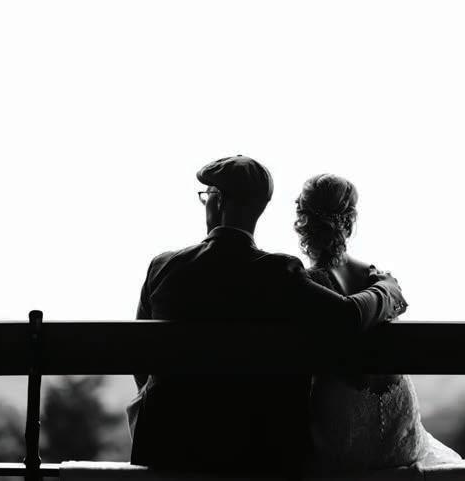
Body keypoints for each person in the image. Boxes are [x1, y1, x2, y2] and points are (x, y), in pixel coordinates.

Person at [128, 155, 406, 473]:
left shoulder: (162, 268)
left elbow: (139, 357)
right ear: (259, 209)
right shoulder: (279, 273)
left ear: (218, 201)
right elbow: (348, 317)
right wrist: (387, 289)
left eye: (207, 196)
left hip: (166, 447)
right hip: (257, 453)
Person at [295, 173, 465, 472]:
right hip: (399, 420)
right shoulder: (377, 278)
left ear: (303, 221)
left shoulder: (308, 285)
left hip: (344, 427)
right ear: (350, 221)